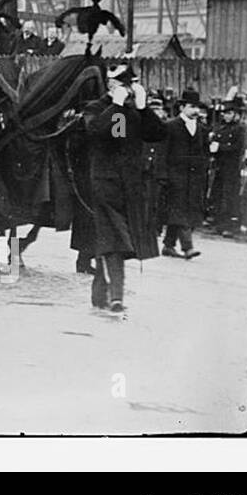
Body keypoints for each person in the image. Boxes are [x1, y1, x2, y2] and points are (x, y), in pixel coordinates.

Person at [81, 64, 167, 312]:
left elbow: (157, 134)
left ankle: (101, 296)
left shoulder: (132, 110)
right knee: (115, 240)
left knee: (112, 241)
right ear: (111, 85)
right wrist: (117, 107)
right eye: (123, 84)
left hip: (129, 187)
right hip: (106, 184)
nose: (128, 89)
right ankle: (116, 296)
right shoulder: (97, 108)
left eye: (131, 84)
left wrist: (143, 108)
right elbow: (111, 135)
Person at [161, 88, 208, 260]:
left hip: (194, 179)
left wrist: (203, 174)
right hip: (175, 177)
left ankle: (168, 245)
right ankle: (188, 247)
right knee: (180, 212)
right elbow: (163, 153)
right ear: (182, 108)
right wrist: (164, 176)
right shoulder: (170, 126)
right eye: (191, 106)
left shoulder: (202, 129)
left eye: (197, 107)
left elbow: (204, 154)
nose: (196, 110)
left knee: (183, 211)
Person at [209, 96, 247, 237]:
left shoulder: (240, 129)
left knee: (229, 197)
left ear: (236, 115)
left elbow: (238, 147)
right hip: (220, 166)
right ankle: (219, 224)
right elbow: (215, 142)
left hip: (232, 167)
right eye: (225, 113)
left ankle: (230, 226)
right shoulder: (221, 129)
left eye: (229, 113)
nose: (226, 116)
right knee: (218, 195)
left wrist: (220, 147)